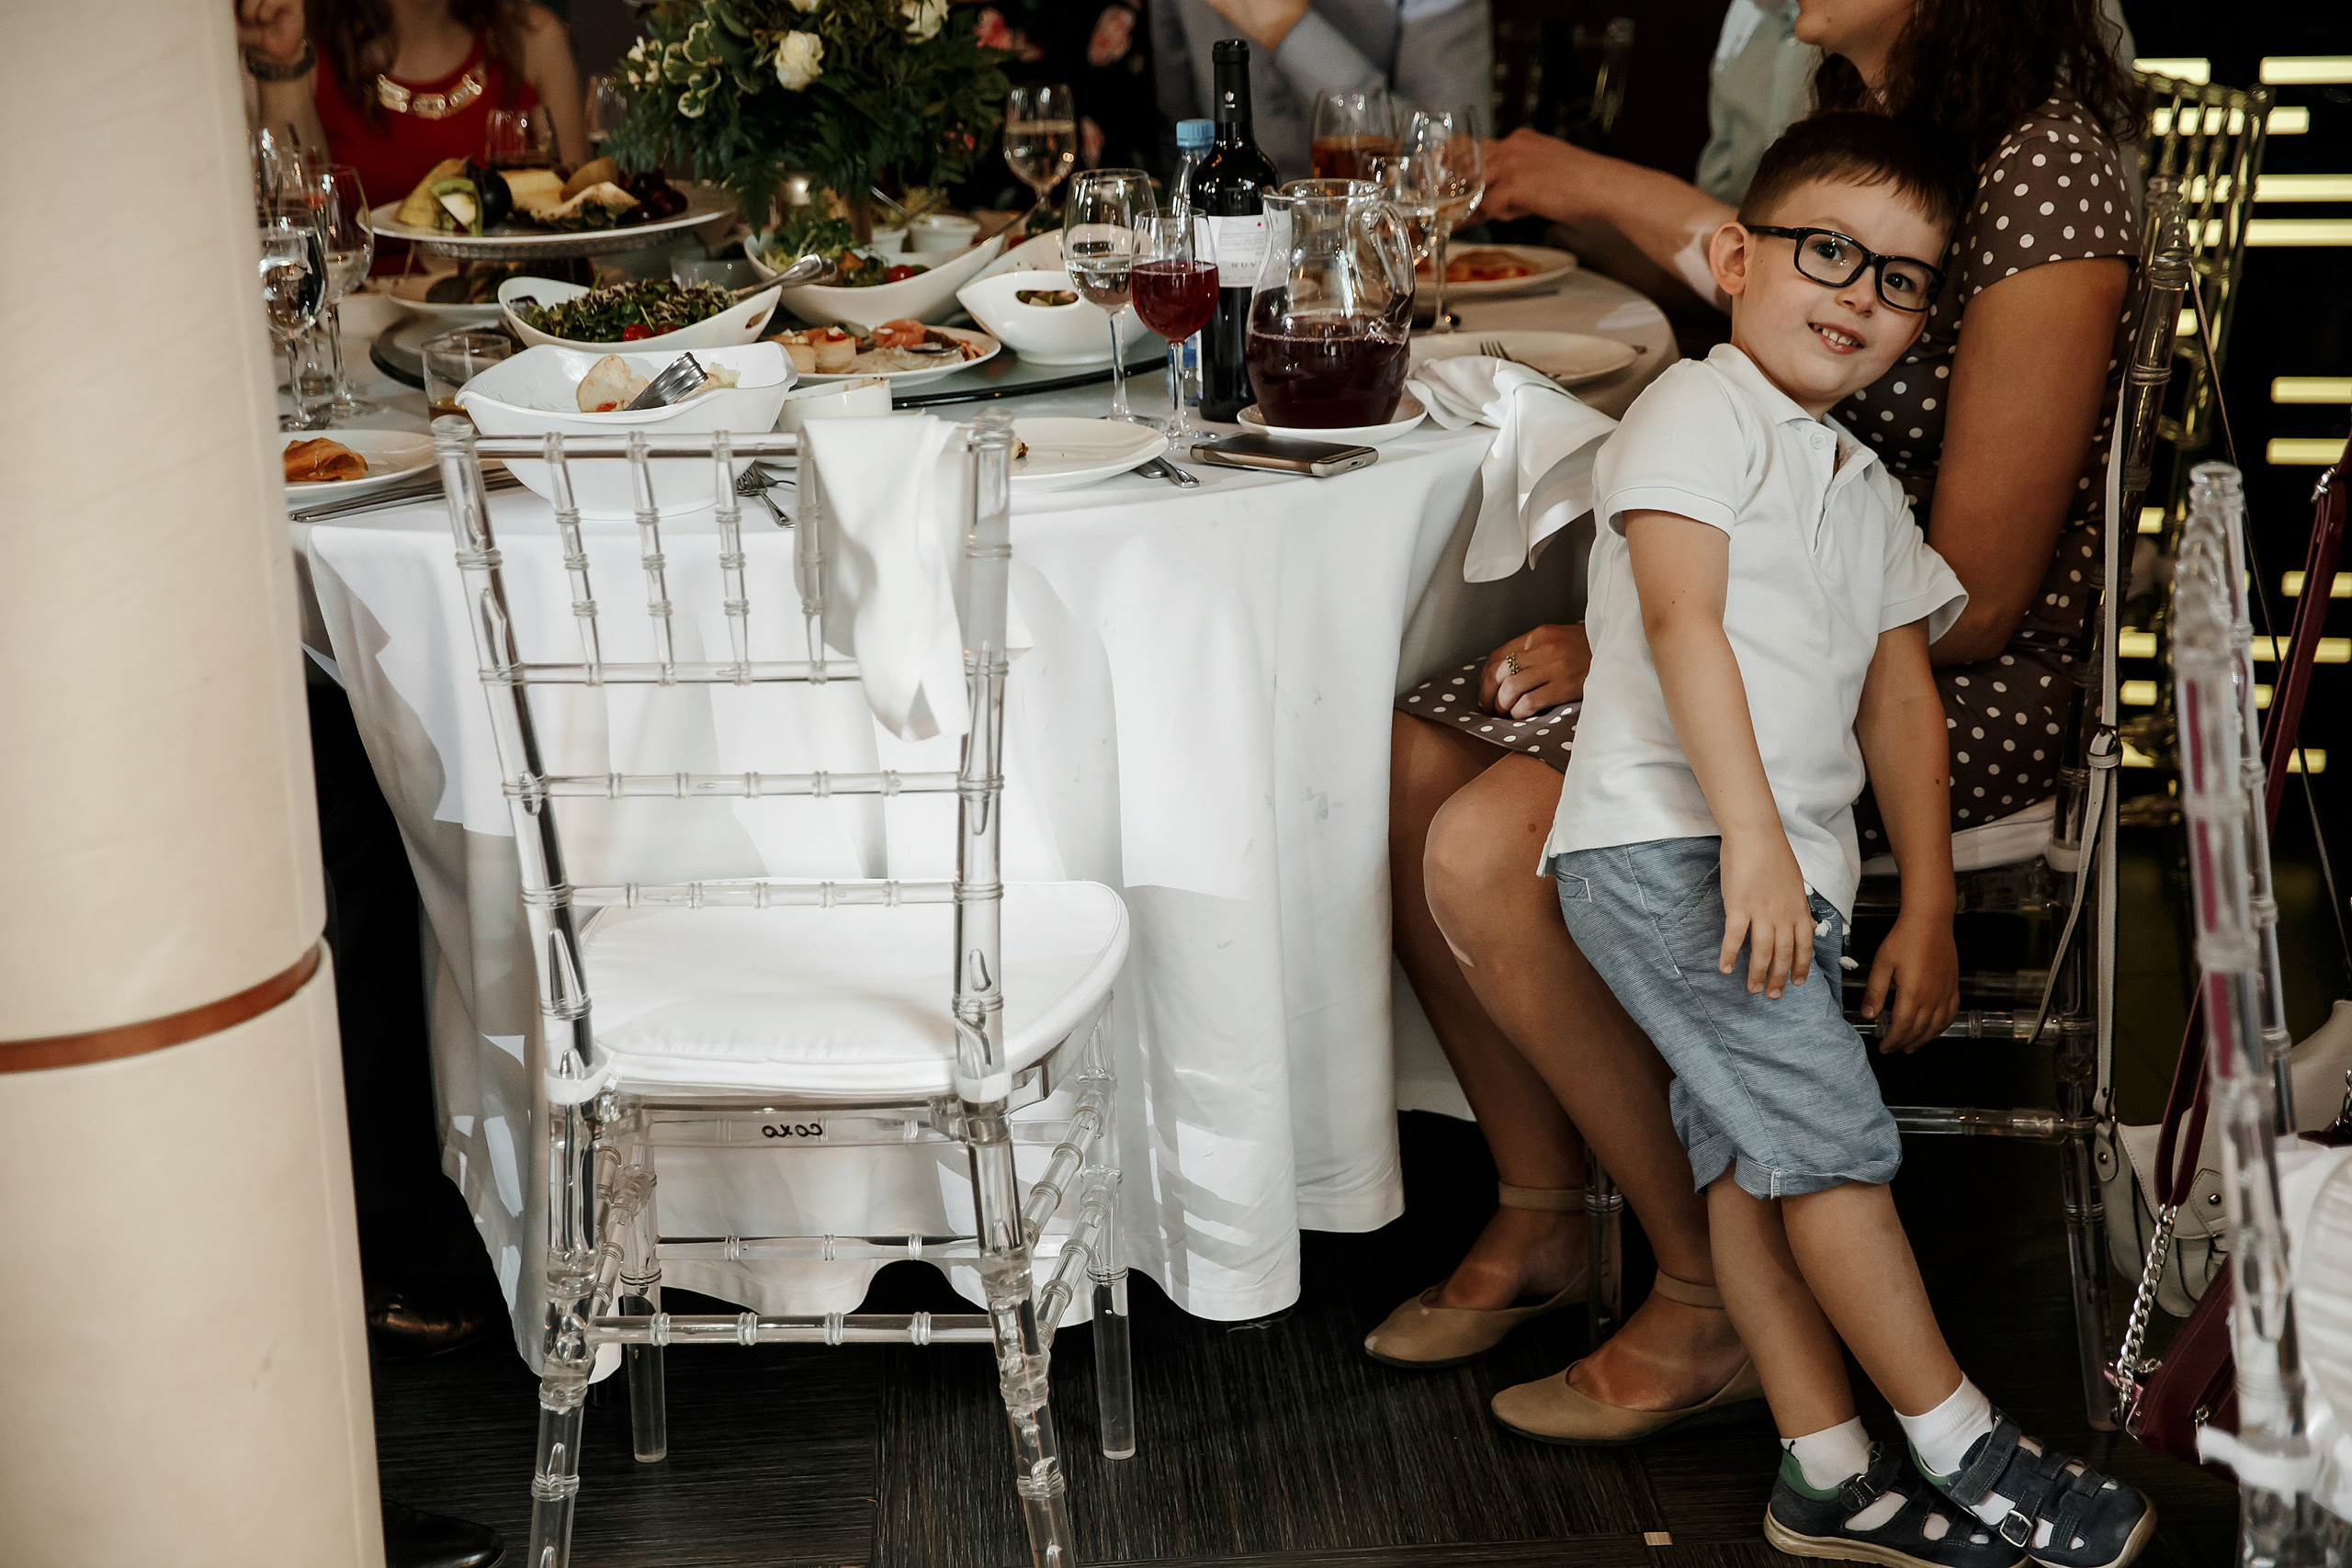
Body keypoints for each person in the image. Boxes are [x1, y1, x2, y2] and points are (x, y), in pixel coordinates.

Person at [1374, 0, 2140, 1451]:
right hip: (1762, 588)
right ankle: (1542, 1205)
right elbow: (1756, 262)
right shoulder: (1869, 99)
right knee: (1415, 754)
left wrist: (1663, 628)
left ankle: (1701, 1280)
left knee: (1484, 839)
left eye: (1893, 279)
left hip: (1937, 666)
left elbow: (1973, 599)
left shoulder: (2046, 177)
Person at [1539, 114, 2154, 1568]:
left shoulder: (1863, 485)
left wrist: (1924, 897)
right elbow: (1681, 620)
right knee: (1832, 1150)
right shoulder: (1697, 410)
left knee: (1758, 1161)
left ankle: (1827, 1471)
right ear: (1736, 259)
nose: (1860, 293)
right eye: (1829, 251)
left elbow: (1901, 701)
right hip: (1676, 843)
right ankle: (1964, 1440)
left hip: (1775, 870)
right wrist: (1750, 841)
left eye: (1901, 279)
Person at [237, 0, 588, 220]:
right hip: (361, 314)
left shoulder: (532, 37)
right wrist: (277, 62)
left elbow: (582, 222)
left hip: (512, 308)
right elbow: (295, 227)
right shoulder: (296, 37)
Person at [1151, 0, 1491, 179]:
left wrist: (1293, 33)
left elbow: (1459, 162)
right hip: (1237, 249)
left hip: (1406, 258)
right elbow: (1177, 131)